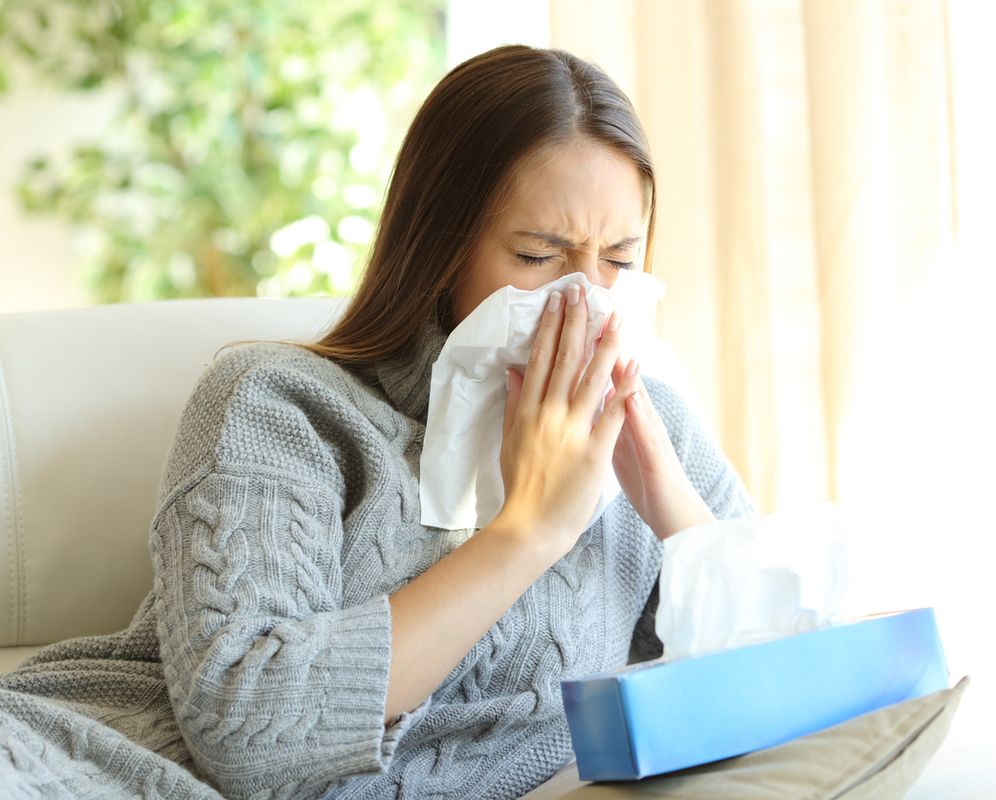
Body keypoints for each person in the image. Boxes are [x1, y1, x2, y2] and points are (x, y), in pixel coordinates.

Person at [0, 45, 755, 799]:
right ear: (440, 250)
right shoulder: (277, 405)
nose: (584, 303)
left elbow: (783, 665)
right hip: (98, 766)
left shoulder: (647, 419)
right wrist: (530, 529)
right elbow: (250, 732)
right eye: (537, 255)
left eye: (619, 260)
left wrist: (676, 516)